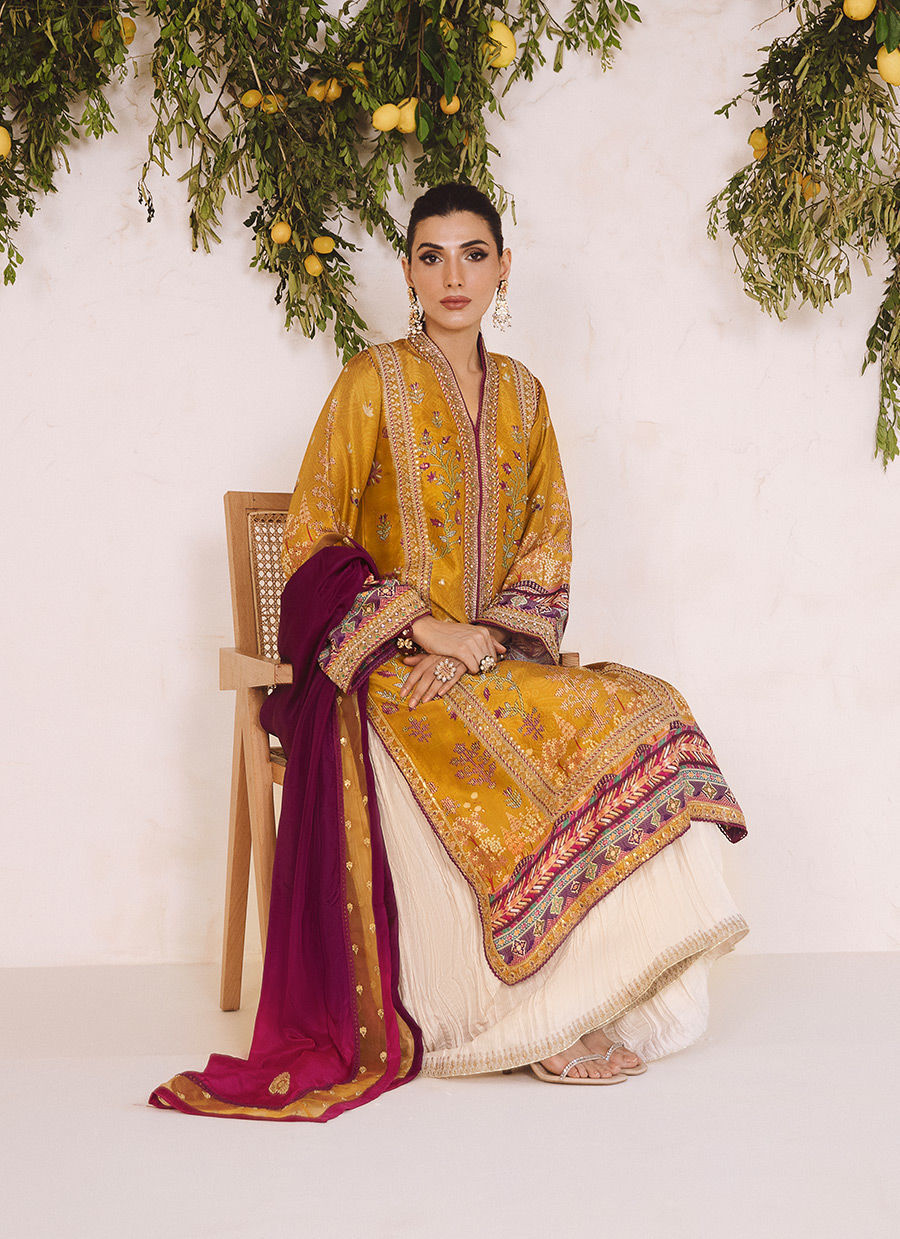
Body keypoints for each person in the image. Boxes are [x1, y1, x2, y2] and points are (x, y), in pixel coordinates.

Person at [149, 181, 748, 1121]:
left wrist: (484, 643)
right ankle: (535, 1020)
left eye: (473, 254)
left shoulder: (526, 397)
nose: (453, 275)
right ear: (408, 271)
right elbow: (310, 536)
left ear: (504, 267)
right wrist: (425, 631)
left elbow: (549, 540)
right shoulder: (369, 382)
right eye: (431, 256)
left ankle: (590, 989)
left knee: (646, 703)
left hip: (495, 658)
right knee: (467, 732)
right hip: (384, 668)